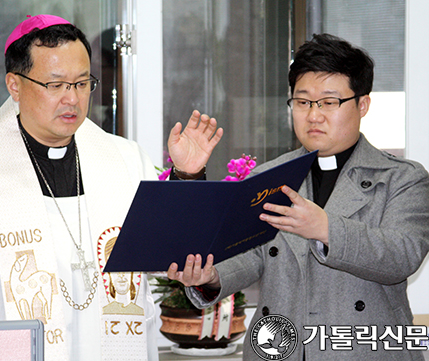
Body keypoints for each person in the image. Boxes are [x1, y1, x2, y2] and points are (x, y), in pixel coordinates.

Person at [0, 14, 223, 361]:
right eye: (55, 85)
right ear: (14, 84)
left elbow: (167, 252)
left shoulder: (123, 159)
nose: (72, 99)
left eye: (82, 83)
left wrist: (186, 178)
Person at [167, 33, 429, 360]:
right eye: (303, 102)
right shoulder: (269, 177)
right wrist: (208, 275)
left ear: (363, 104)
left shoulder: (402, 177)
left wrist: (325, 228)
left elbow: (402, 255)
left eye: (329, 102)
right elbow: (247, 257)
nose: (313, 115)